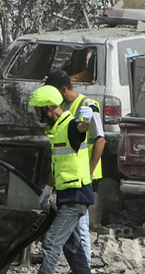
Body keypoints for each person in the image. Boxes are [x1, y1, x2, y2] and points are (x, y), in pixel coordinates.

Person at [15, 85, 100, 274]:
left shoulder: (71, 125)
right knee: (71, 246)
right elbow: (59, 166)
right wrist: (47, 189)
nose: (36, 115)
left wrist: (89, 118)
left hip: (76, 196)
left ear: (50, 108)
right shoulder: (56, 130)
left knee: (51, 242)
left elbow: (82, 127)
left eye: (38, 110)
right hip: (66, 195)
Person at [45, 68, 105, 261]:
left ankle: (84, 267)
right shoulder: (62, 105)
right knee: (76, 225)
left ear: (63, 89)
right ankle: (81, 269)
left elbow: (100, 140)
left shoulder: (87, 105)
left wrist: (89, 171)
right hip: (69, 174)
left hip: (83, 174)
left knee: (80, 224)